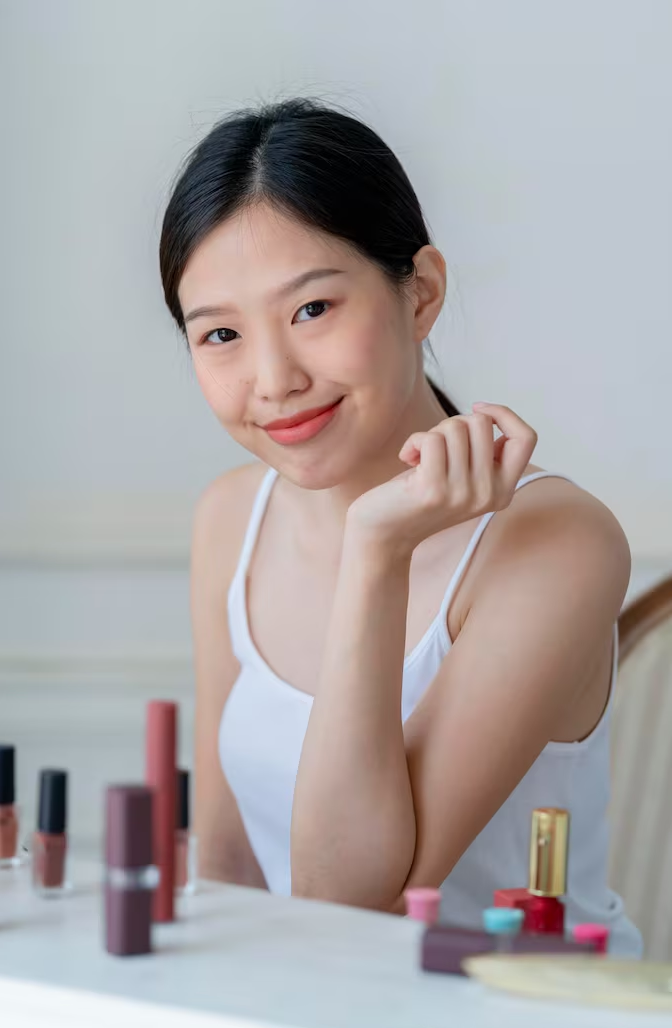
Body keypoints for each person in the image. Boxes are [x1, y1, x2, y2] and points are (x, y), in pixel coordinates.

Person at [159, 98, 641, 955]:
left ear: (420, 292)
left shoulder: (555, 543)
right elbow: (227, 861)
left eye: (312, 310)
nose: (272, 380)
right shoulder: (229, 516)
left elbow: (348, 895)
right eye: (222, 334)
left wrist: (376, 552)